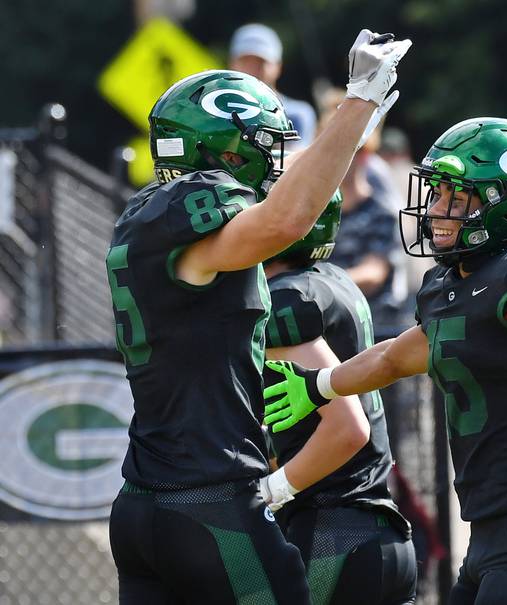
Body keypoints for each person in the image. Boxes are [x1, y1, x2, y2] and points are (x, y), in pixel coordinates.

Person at [106, 29, 411, 604]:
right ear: (224, 150)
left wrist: (347, 124)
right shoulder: (192, 217)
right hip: (212, 503)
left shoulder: (145, 214)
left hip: (142, 502)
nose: (272, 163)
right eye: (262, 145)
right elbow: (283, 221)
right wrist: (360, 100)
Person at [262, 117, 507, 604]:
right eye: (435, 195)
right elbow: (395, 355)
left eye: (454, 198)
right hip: (490, 528)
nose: (436, 211)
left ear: (506, 205)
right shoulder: (448, 286)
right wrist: (321, 385)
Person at [260, 188, 417, 604]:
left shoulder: (286, 301)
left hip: (333, 534)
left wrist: (271, 491)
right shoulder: (331, 279)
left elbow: (348, 428)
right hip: (374, 529)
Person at [229, 23, 317, 148]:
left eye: (261, 62)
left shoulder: (297, 114)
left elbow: (294, 160)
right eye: (246, 61)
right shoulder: (217, 108)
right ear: (232, 63)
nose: (252, 69)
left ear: (278, 67)